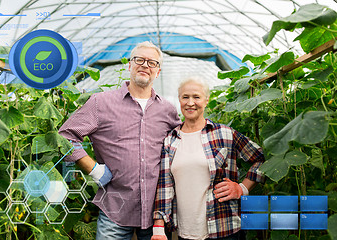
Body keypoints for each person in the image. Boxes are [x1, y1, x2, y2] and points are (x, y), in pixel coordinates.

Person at [58, 41, 181, 240]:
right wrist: (94, 169)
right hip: (114, 207)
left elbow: (182, 144)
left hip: (156, 210)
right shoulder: (101, 103)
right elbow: (65, 136)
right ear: (129, 65)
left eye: (152, 62)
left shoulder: (167, 110)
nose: (145, 65)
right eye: (139, 60)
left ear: (158, 72)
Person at [151, 77, 265, 240]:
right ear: (179, 101)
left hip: (225, 228)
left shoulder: (225, 134)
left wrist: (242, 188)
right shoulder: (170, 140)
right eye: (185, 97)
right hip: (186, 232)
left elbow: (260, 159)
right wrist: (158, 227)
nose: (190, 102)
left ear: (206, 100)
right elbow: (165, 186)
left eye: (196, 97)